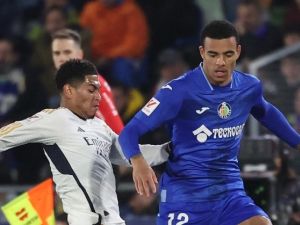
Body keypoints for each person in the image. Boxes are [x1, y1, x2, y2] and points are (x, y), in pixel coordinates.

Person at [119, 20, 300, 225]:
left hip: (230, 195)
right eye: (213, 55)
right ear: (202, 52)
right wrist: (138, 162)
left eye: (228, 54)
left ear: (238, 52)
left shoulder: (249, 87)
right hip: (186, 198)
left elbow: (266, 112)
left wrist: (296, 141)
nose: (220, 62)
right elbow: (130, 131)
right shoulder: (179, 91)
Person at [0, 59, 169, 225]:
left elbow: (130, 153)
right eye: (91, 90)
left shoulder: (100, 126)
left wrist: (171, 149)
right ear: (69, 91)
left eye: (98, 90)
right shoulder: (53, 120)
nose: (98, 97)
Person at [51, 28, 124, 134]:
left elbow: (117, 131)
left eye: (67, 52)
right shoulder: (66, 84)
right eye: (57, 53)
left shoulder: (94, 84)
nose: (61, 58)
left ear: (79, 54)